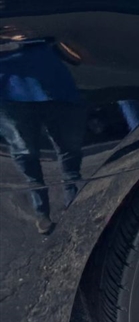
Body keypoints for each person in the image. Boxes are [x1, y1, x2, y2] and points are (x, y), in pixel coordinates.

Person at [0, 28, 86, 234]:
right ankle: (41, 212)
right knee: (25, 153)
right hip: (8, 93)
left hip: (53, 81)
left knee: (70, 146)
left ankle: (75, 201)